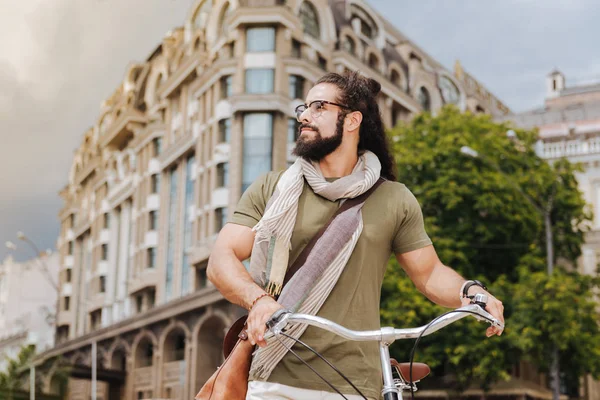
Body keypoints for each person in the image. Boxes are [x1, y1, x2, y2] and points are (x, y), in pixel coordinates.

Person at [206, 71, 504, 400]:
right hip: (274, 380)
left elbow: (429, 273)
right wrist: (258, 299)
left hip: (358, 384)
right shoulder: (272, 188)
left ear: (352, 120)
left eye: (319, 106)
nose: (305, 115)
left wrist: (471, 291)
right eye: (304, 107)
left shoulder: (395, 199)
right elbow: (221, 259)